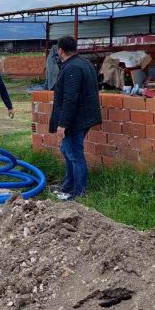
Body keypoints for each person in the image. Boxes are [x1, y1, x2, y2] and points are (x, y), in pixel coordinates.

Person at [49, 36, 102, 201]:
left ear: (60, 50)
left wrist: (63, 124)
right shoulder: (84, 63)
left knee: (74, 154)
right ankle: (68, 185)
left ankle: (78, 192)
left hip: (75, 119)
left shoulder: (72, 68)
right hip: (84, 117)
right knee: (67, 151)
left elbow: (70, 98)